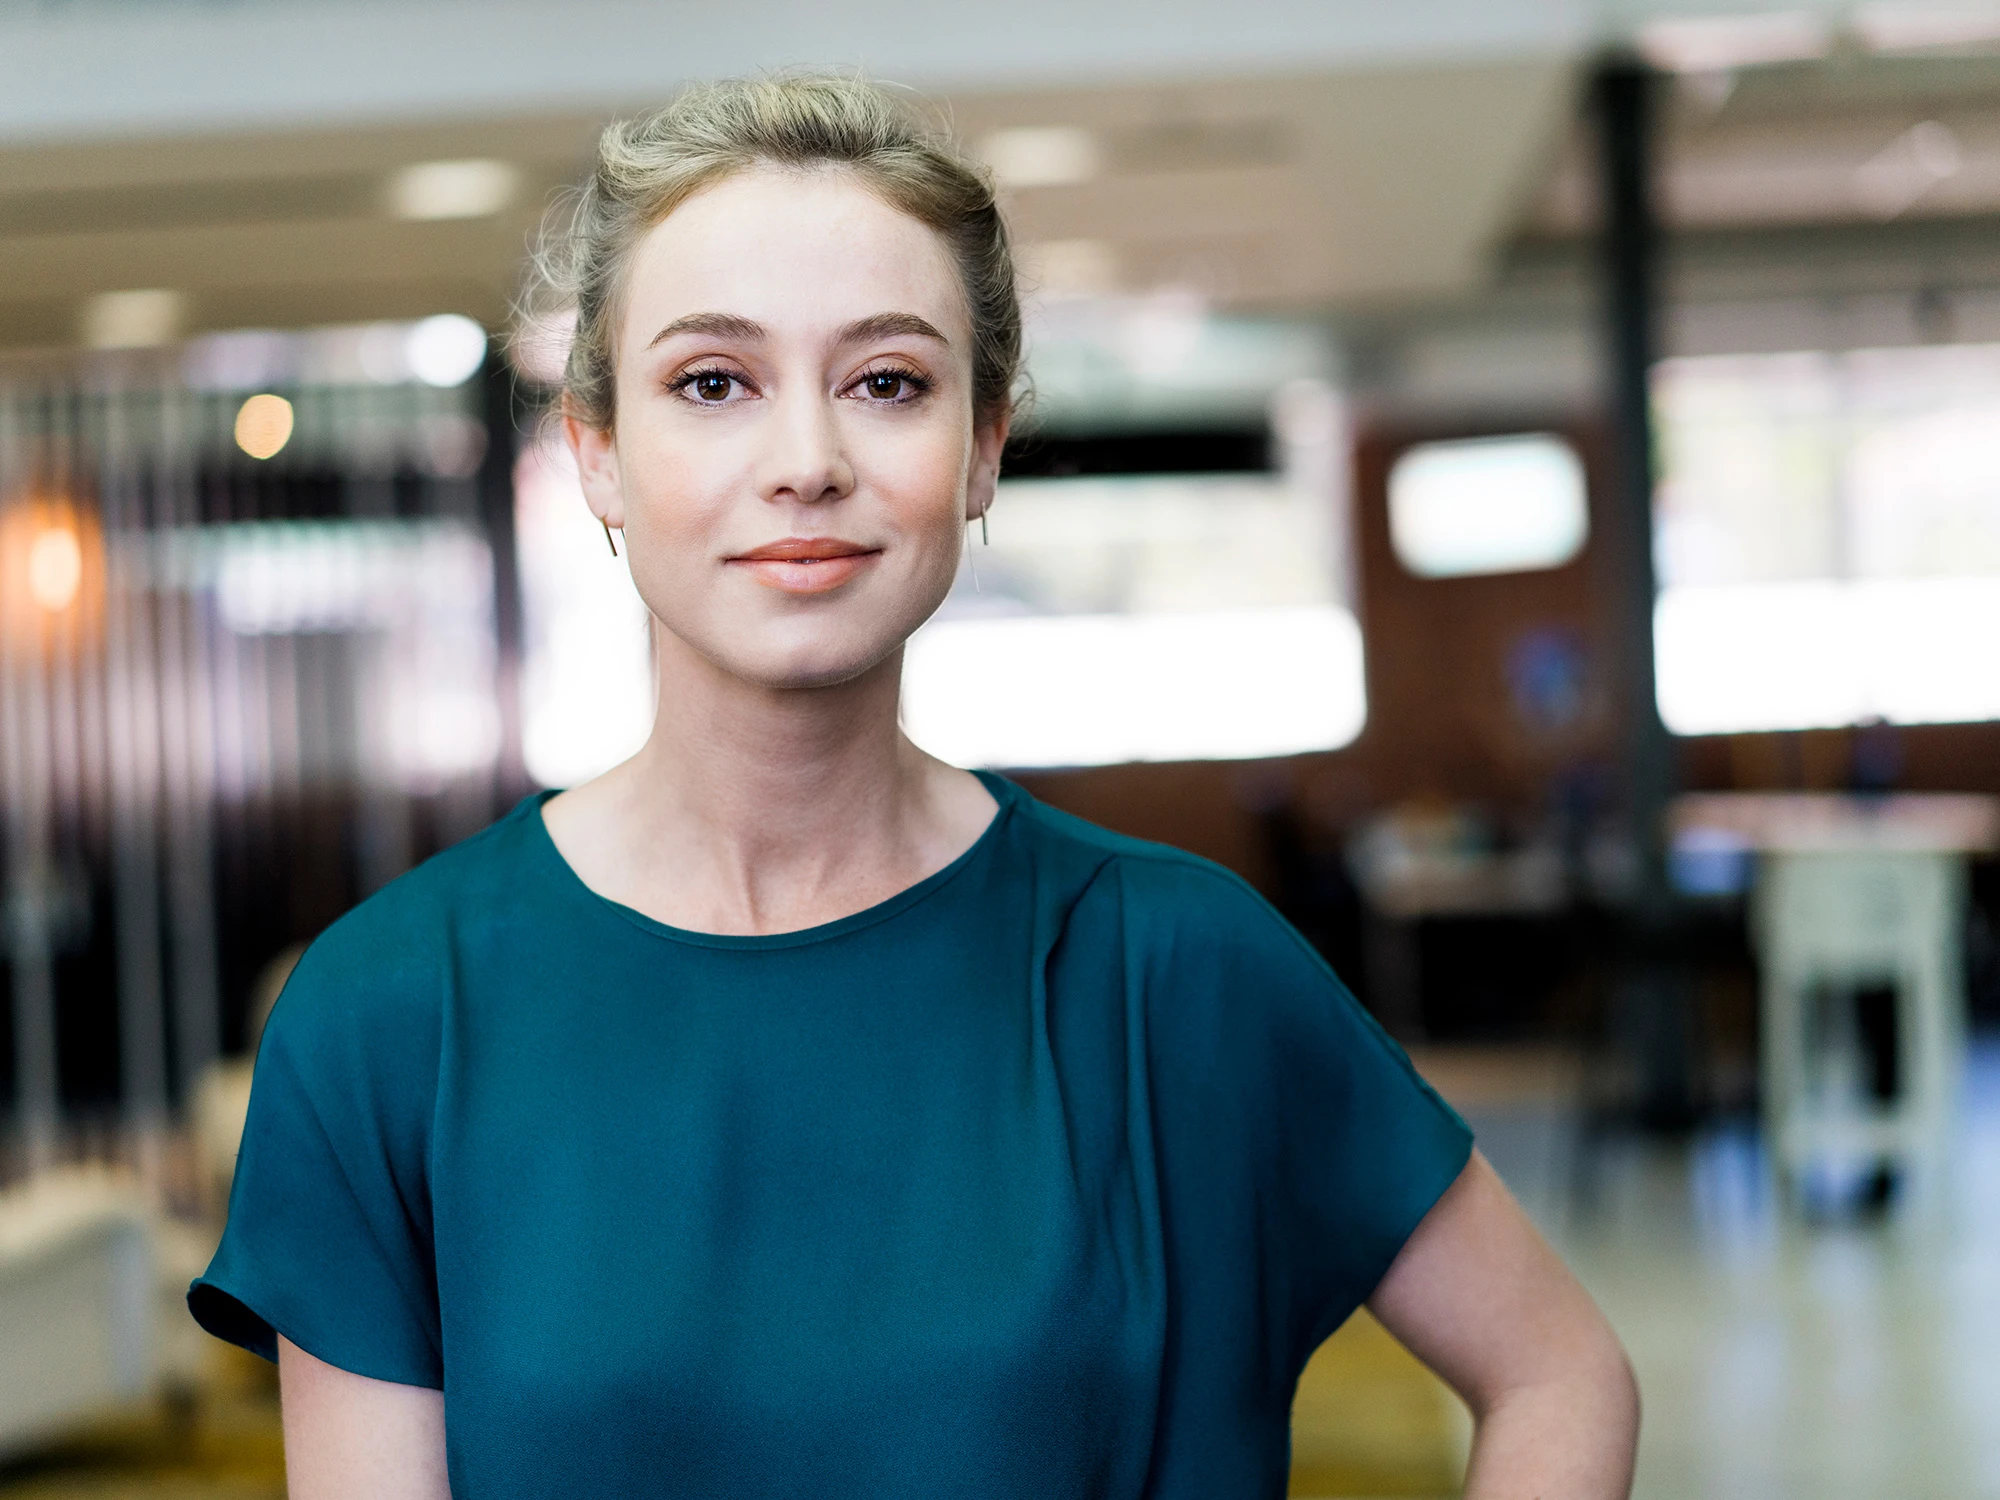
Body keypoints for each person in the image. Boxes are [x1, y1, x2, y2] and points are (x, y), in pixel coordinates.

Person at [189, 73, 1639, 1500]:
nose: (807, 462)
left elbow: (1560, 1373)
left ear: (982, 449)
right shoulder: (388, 1014)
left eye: (886, 382)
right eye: (713, 383)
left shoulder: (1180, 973)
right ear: (598, 454)